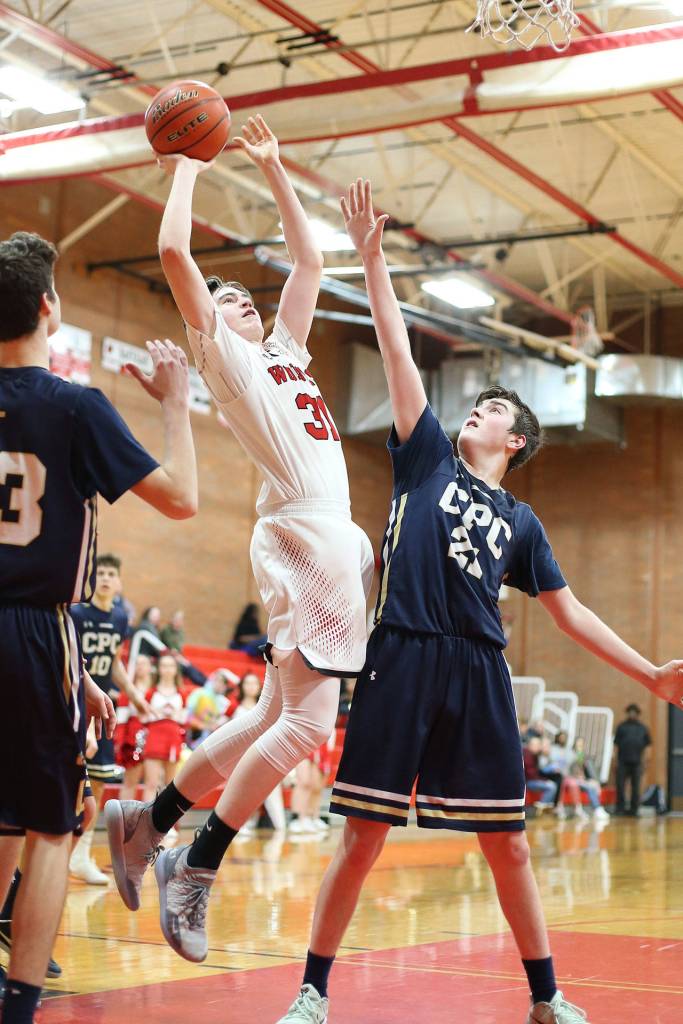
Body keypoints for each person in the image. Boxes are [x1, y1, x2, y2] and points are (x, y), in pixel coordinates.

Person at [273, 179, 683, 1024]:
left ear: (516, 441)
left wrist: (647, 670)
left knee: (509, 845)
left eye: (493, 407)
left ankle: (545, 997)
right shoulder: (424, 458)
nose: (478, 408)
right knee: (361, 837)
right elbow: (394, 352)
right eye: (480, 401)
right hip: (403, 652)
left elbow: (568, 613)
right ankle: (312, 991)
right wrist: (374, 258)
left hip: (477, 669)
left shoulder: (520, 519)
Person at [105, 116, 374, 963]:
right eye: (225, 303)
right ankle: (197, 860)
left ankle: (144, 821)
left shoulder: (286, 350)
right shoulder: (230, 361)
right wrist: (185, 164)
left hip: (317, 532)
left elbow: (310, 264)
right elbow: (178, 258)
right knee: (307, 727)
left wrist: (274, 167)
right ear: (208, 329)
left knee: (275, 713)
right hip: (305, 528)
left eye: (243, 299)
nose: (238, 303)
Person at [0, 230, 197, 1024]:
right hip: (33, 631)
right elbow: (180, 497)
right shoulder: (75, 406)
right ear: (50, 306)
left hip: (36, 638)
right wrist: (177, 405)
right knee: (50, 827)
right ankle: (19, 1004)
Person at [69, 554, 152, 885]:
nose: (104, 578)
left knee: (101, 778)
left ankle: (80, 853)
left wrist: (135, 696)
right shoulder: (76, 613)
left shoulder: (119, 617)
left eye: (110, 574)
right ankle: (63, 847)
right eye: (99, 572)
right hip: (74, 702)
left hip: (103, 709)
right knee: (74, 777)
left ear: (118, 582)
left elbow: (114, 661)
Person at [142, 654, 188, 803]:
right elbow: (142, 718)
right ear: (159, 669)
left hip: (173, 738)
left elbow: (184, 719)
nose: (167, 669)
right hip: (154, 737)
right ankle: (145, 821)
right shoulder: (151, 692)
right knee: (151, 784)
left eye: (171, 666)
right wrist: (159, 715)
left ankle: (170, 825)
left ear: (176, 670)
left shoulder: (182, 693)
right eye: (164, 666)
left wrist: (174, 715)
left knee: (171, 786)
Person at [116, 654, 155, 801]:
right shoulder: (128, 690)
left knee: (153, 783)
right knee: (130, 781)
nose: (140, 667)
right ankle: (123, 819)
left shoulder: (156, 688)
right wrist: (119, 740)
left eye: (143, 663)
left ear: (150, 667)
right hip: (133, 737)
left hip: (156, 737)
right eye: (137, 664)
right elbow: (121, 717)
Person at [613, 703, 652, 816]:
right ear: (627, 713)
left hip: (637, 762)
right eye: (630, 712)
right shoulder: (621, 727)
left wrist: (646, 761)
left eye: (634, 712)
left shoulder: (643, 728)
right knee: (620, 785)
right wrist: (615, 761)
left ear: (638, 714)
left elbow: (648, 746)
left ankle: (634, 809)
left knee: (636, 787)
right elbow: (616, 745)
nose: (632, 714)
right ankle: (620, 808)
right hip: (622, 761)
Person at [569, 738, 608, 821]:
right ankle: (597, 808)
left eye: (582, 745)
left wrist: (593, 780)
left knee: (593, 785)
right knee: (590, 787)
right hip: (572, 780)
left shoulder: (584, 757)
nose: (580, 747)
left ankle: (597, 809)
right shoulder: (570, 755)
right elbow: (570, 771)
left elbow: (586, 772)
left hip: (582, 780)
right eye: (578, 745)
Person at [523, 738, 557, 813]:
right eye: (537, 745)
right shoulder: (527, 754)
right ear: (531, 745)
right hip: (528, 781)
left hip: (532, 779)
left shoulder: (533, 754)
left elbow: (536, 772)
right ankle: (540, 809)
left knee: (554, 782)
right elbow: (531, 774)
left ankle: (544, 806)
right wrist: (544, 780)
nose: (539, 747)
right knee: (551, 786)